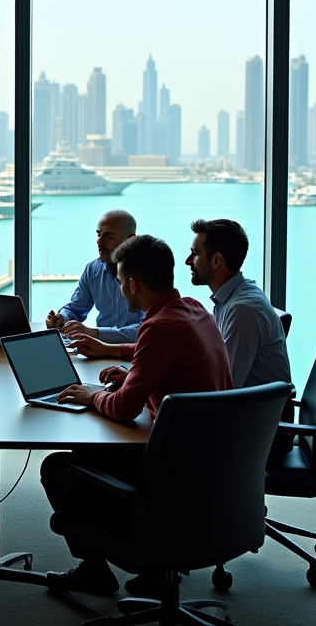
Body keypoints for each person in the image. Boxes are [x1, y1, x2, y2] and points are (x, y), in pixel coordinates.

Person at [45, 235, 233, 597]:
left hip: (175, 470)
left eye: (118, 281)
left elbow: (123, 408)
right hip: (212, 460)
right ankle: (156, 570)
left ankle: (96, 571)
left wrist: (92, 395)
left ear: (132, 284)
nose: (119, 287)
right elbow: (162, 353)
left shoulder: (158, 328)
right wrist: (132, 370)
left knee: (60, 467)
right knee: (89, 455)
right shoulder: (193, 309)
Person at [184, 218, 291, 390]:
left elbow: (226, 386)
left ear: (216, 260)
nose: (188, 261)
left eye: (195, 253)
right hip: (246, 407)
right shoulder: (235, 295)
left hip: (251, 414)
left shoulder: (242, 310)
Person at [45, 209, 142, 343]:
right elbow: (76, 309)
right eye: (99, 234)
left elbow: (146, 330)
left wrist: (93, 333)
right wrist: (61, 319)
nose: (99, 242)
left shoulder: (146, 274)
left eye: (109, 236)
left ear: (130, 240)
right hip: (100, 350)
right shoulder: (92, 270)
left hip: (135, 353)